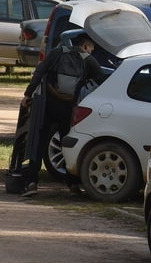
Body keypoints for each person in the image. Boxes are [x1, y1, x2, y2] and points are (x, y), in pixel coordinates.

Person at [20, 33, 107, 197]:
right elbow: (103, 82)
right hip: (69, 108)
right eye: (92, 49)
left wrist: (28, 94)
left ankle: (31, 183)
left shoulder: (57, 53)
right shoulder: (88, 61)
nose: (91, 52)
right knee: (67, 145)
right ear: (87, 46)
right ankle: (73, 185)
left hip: (48, 105)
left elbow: (39, 73)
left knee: (39, 141)